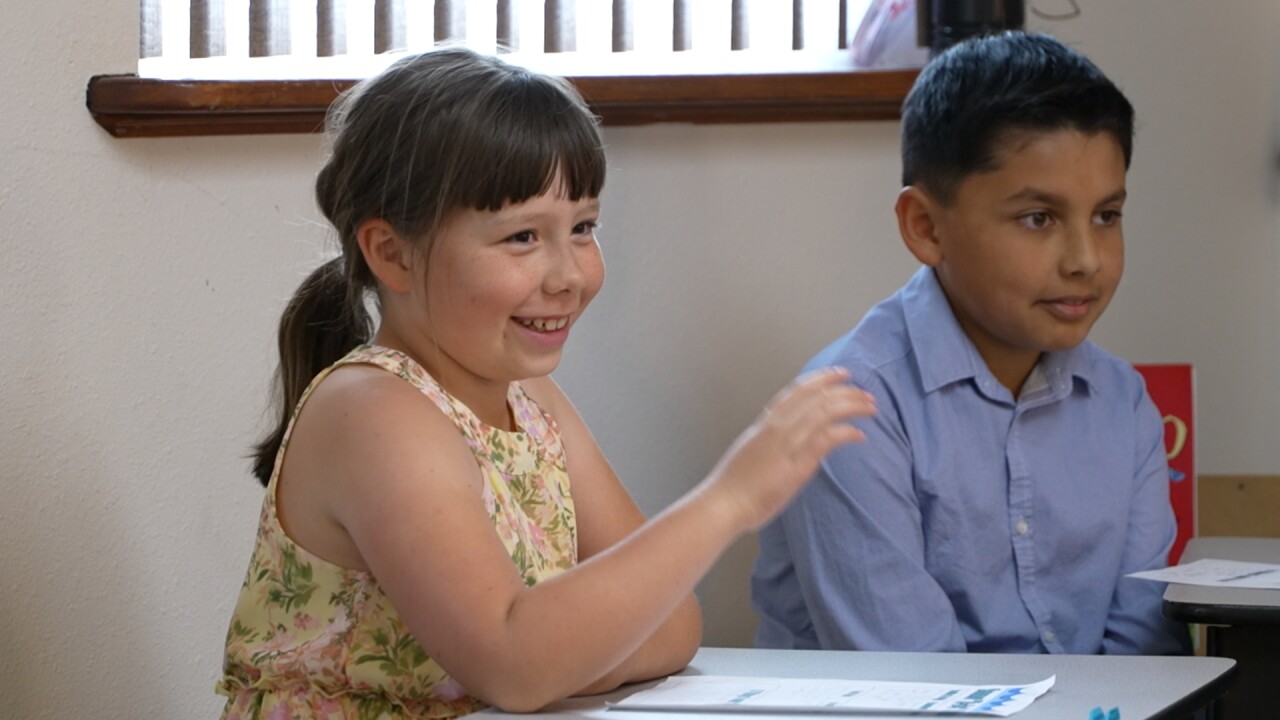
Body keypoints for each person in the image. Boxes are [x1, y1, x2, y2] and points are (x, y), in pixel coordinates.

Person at [215, 46, 877, 719]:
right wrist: (728, 500)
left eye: (583, 227)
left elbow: (673, 623)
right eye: (522, 238)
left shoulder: (532, 403)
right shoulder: (373, 411)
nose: (567, 274)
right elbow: (516, 665)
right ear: (392, 253)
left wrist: (554, 656)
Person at [751, 31, 1191, 656]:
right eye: (1038, 218)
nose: (1086, 260)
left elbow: (1144, 656)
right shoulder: (849, 413)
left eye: (1106, 216)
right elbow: (916, 684)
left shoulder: (1123, 404)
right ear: (926, 228)